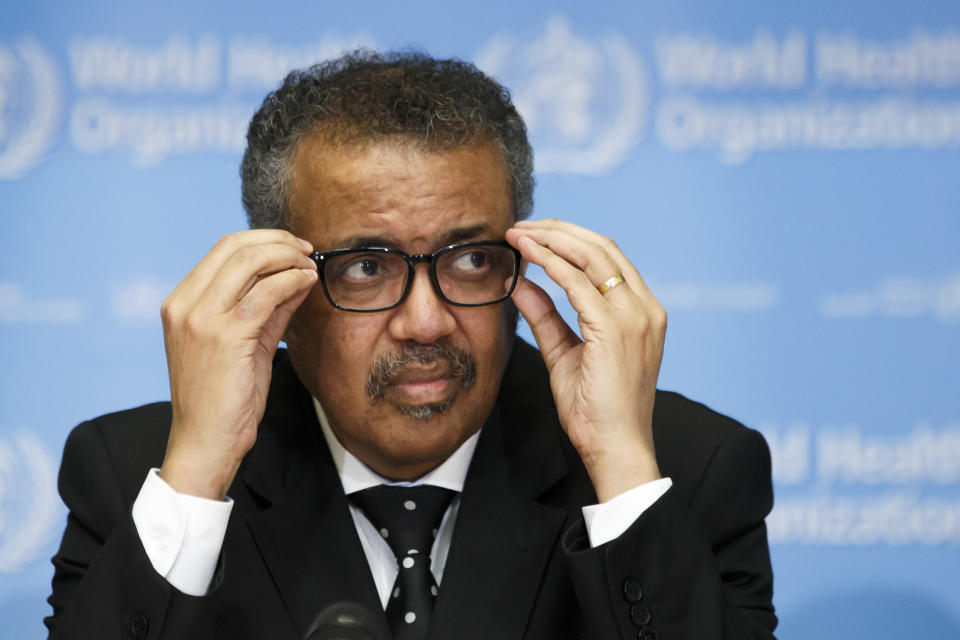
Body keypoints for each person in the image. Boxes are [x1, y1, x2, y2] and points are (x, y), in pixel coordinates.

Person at [45, 50, 777, 640]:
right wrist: (199, 472)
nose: (426, 323)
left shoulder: (680, 473)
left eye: (470, 260)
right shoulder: (140, 479)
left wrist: (618, 466)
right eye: (367, 267)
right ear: (276, 284)